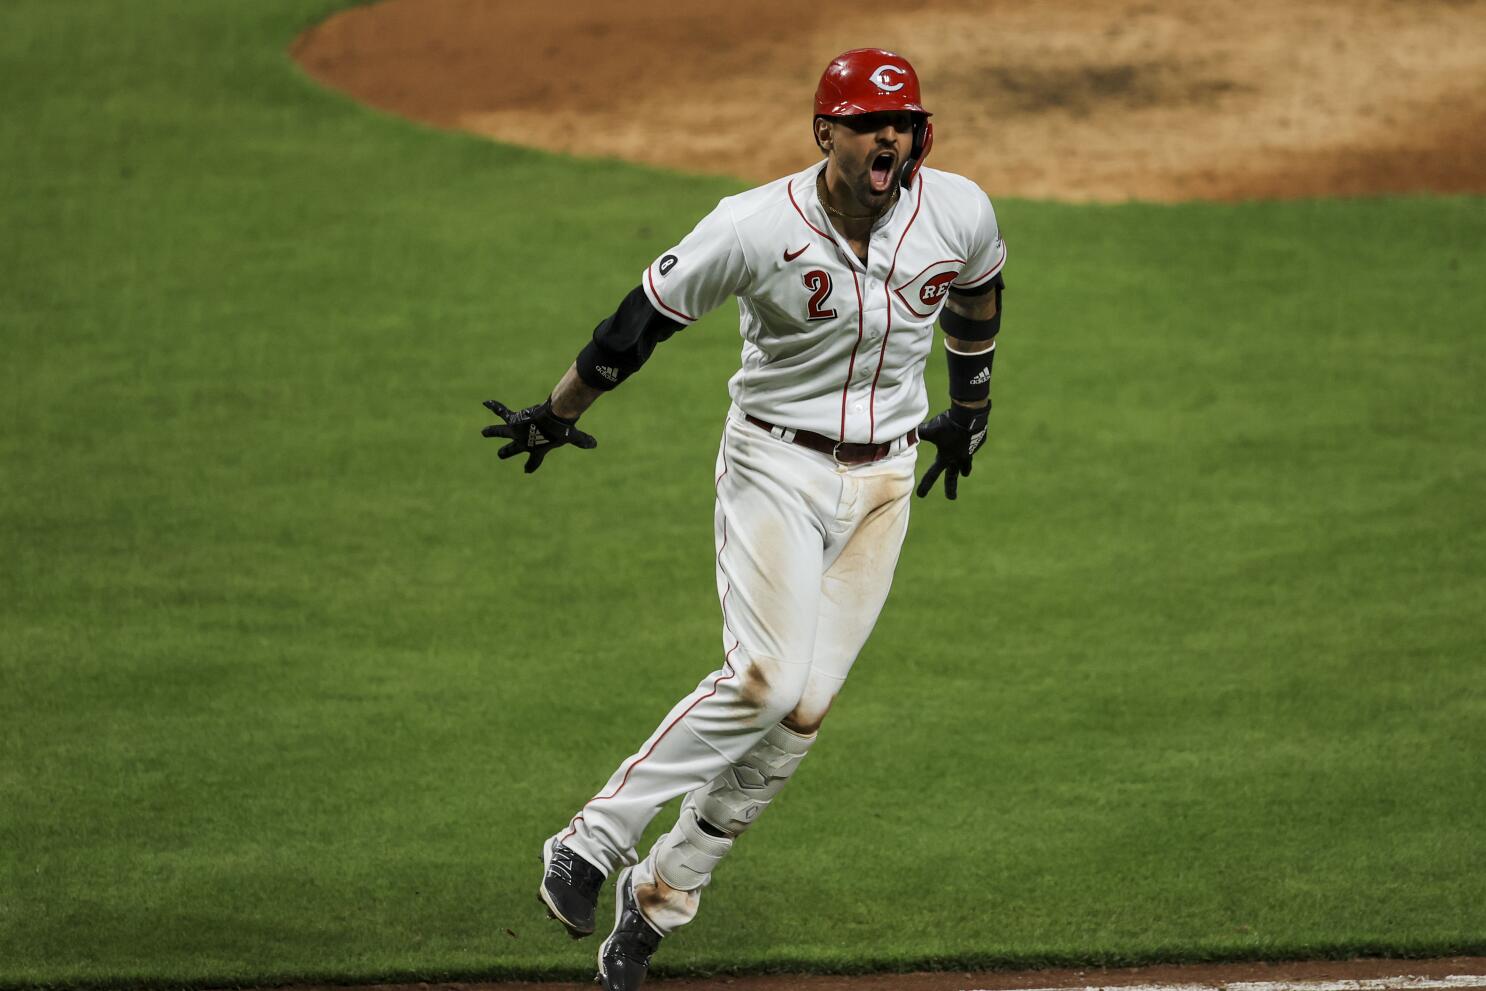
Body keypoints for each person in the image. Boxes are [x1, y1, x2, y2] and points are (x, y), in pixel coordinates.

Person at [483, 48, 1007, 991]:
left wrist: (970, 408)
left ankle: (658, 899)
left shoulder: (958, 209)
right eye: (867, 121)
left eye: (902, 121)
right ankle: (589, 841)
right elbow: (636, 322)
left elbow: (977, 293)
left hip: (883, 482)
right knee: (765, 679)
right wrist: (559, 411)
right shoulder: (755, 225)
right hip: (774, 464)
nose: (890, 135)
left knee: (800, 713)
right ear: (826, 134)